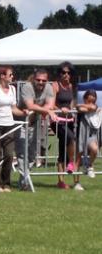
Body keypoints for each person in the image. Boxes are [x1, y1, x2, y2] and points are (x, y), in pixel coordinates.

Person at [15, 68, 57, 190]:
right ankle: (25, 183)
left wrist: (46, 109)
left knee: (33, 155)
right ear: (34, 79)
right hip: (20, 122)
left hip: (35, 122)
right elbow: (30, 105)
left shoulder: (48, 87)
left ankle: (23, 180)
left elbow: (50, 103)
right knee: (22, 153)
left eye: (43, 80)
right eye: (38, 80)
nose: (41, 82)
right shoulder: (27, 87)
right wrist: (47, 110)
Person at [51, 62, 80, 190]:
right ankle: (70, 163)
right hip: (57, 120)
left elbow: (72, 103)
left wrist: (73, 110)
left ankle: (61, 181)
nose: (66, 75)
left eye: (68, 73)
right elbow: (51, 104)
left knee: (63, 148)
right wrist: (60, 108)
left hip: (69, 120)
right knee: (71, 138)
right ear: (59, 74)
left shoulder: (71, 86)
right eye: (63, 72)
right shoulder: (55, 85)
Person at [76, 89, 102, 180]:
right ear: (84, 98)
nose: (91, 103)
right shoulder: (80, 106)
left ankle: (89, 165)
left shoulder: (96, 107)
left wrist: (87, 106)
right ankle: (76, 182)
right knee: (77, 159)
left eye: (93, 101)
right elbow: (80, 109)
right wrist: (85, 106)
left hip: (92, 135)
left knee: (95, 150)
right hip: (81, 135)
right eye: (89, 100)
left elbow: (93, 108)